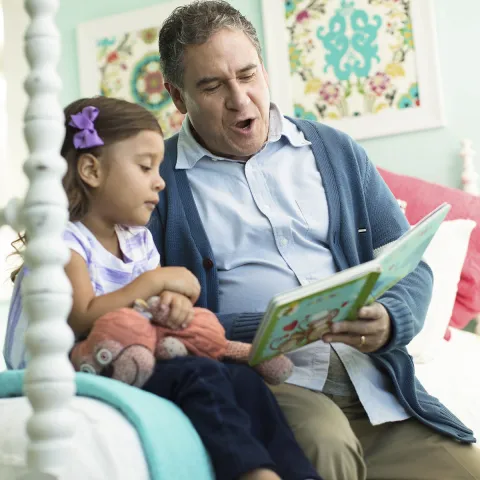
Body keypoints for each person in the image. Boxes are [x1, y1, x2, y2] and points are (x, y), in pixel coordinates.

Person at [148, 1, 480, 479]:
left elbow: (409, 263)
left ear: (264, 69)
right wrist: (270, 326)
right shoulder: (156, 181)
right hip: (271, 384)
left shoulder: (334, 149)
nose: (240, 99)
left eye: (248, 75)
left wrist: (389, 320)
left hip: (377, 385)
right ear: (178, 98)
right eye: (213, 86)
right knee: (326, 445)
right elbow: (148, 313)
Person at [4, 96, 322, 480]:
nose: (160, 180)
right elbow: (82, 317)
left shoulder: (136, 240)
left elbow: (148, 307)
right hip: (78, 363)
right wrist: (153, 282)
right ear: (91, 169)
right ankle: (251, 472)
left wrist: (170, 303)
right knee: (198, 376)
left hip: (137, 352)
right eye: (144, 166)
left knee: (243, 380)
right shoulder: (63, 243)